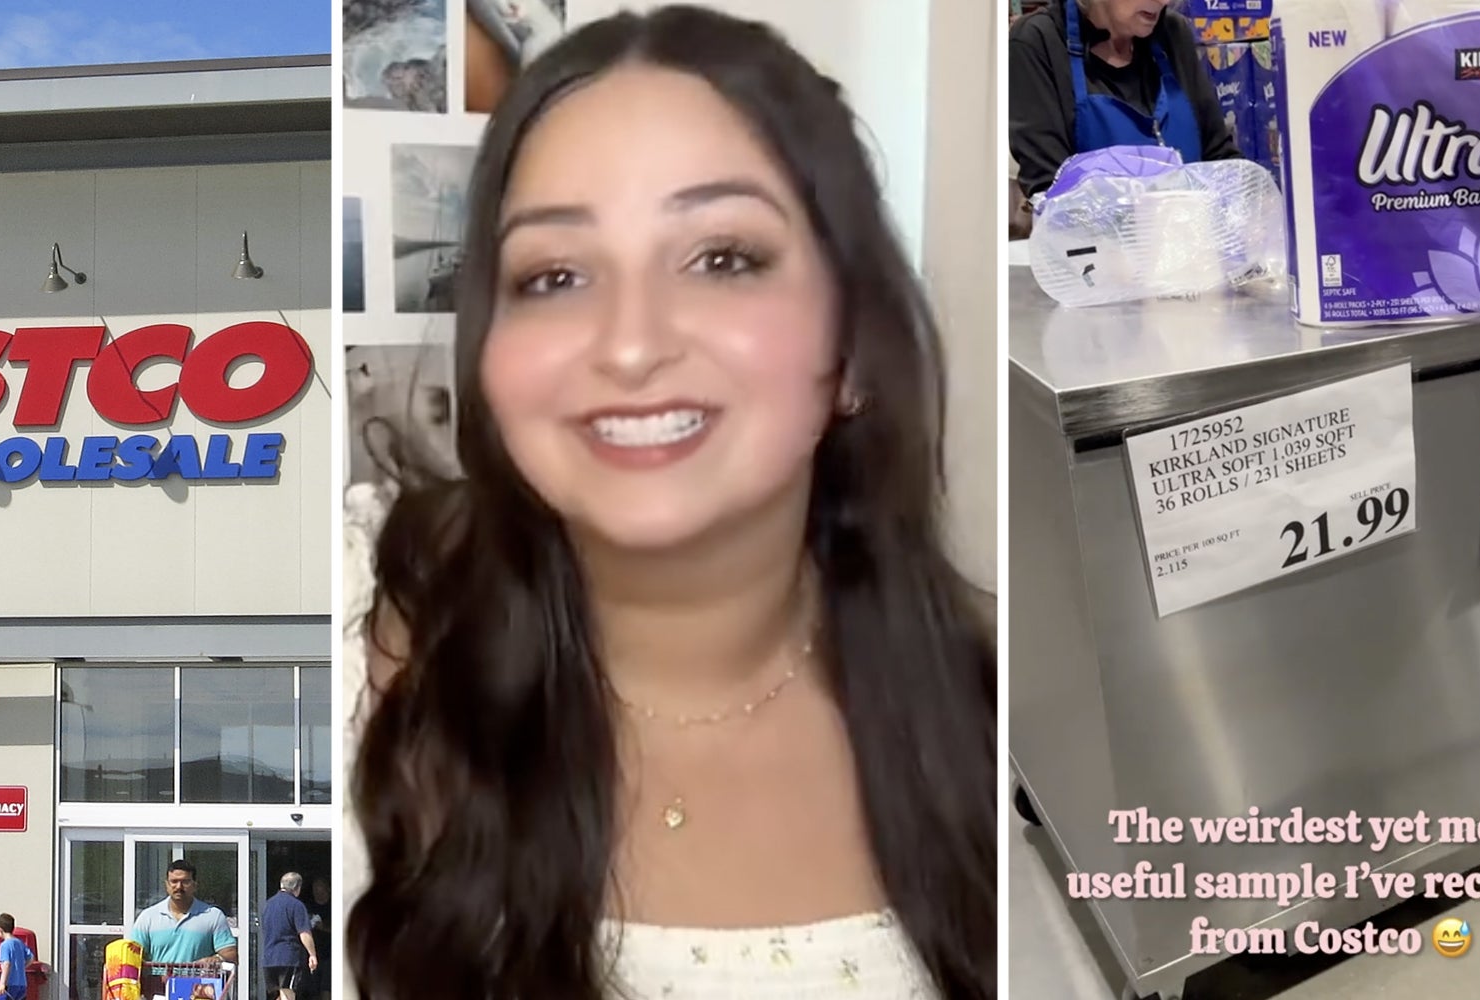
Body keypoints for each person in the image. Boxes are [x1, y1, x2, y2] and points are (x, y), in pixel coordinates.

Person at [342, 6, 996, 1000]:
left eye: (721, 257)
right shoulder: (359, 663)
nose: (631, 344)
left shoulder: (984, 705)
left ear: (852, 345)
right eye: (553, 274)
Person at [1009, 0, 1239, 197]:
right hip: (1096, 246)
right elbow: (1050, 189)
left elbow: (1219, 157)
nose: (1164, 1)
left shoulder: (1173, 34)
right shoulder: (1038, 42)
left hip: (1191, 241)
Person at [129, 861, 237, 968]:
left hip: (198, 984)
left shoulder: (213, 916)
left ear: (195, 885)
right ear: (166, 885)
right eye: (174, 881)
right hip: (157, 984)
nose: (179, 887)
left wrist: (216, 959)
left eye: (185, 882)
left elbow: (231, 954)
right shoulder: (148, 917)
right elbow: (131, 954)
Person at [258, 874, 317, 1000]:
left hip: (269, 958)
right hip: (288, 957)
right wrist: (312, 954)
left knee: (279, 994)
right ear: (297, 887)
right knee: (288, 995)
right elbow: (304, 933)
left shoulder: (268, 905)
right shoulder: (296, 905)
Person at [0, 915, 31, 1000]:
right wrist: (21, 967)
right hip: (22, 984)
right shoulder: (20, 943)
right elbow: (31, 958)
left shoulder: (4, 945)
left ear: (0, 929)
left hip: (9, 984)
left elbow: (6, 964)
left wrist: (2, 984)